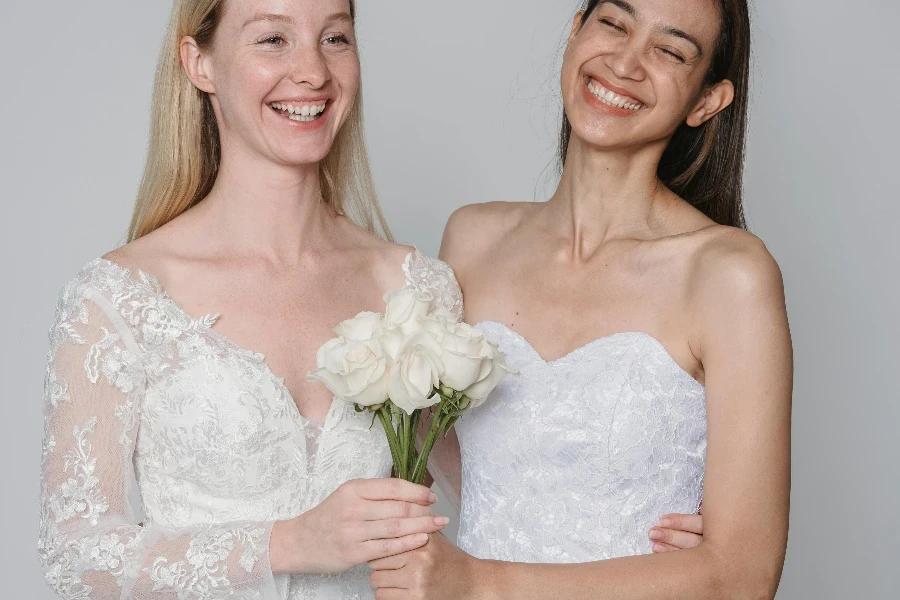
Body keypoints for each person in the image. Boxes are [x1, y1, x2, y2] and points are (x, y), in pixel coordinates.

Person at [37, 1, 462, 598]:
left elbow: (495, 505)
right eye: (272, 39)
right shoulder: (118, 299)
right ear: (199, 63)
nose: (313, 71)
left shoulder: (418, 290)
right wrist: (289, 542)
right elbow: (76, 556)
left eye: (335, 38)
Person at [371, 0, 792, 598]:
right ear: (575, 32)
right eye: (614, 24)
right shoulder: (471, 238)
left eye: (670, 51)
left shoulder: (729, 274)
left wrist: (480, 582)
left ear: (707, 100)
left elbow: (745, 577)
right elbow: (458, 457)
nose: (625, 62)